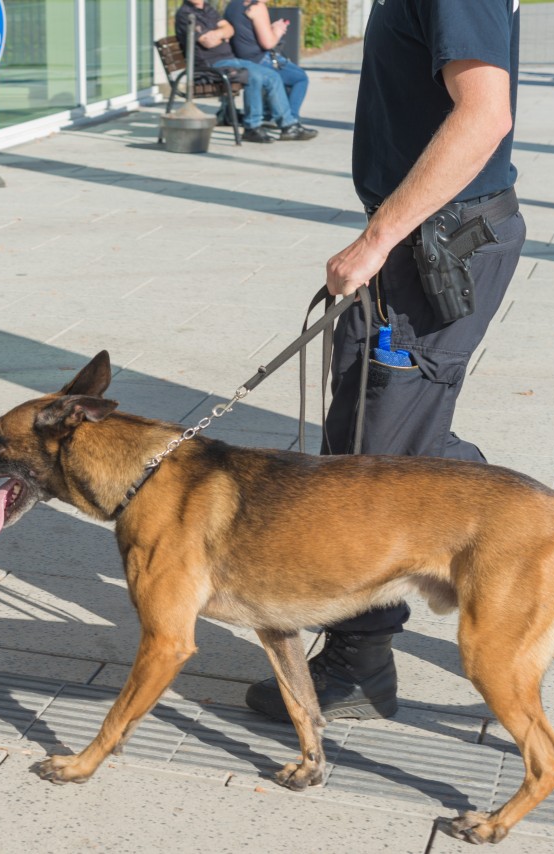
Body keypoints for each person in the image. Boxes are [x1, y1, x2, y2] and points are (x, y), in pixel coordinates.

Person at [243, 0, 525, 722]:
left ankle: (358, 655)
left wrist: (377, 240)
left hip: (441, 247)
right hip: (420, 244)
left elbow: (484, 114)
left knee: (375, 458)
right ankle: (521, 541)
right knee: (382, 433)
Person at [174, 0, 317, 143]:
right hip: (210, 66)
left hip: (230, 60)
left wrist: (220, 33)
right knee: (255, 76)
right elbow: (208, 41)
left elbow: (230, 29)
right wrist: (223, 33)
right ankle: (253, 127)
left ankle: (288, 126)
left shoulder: (208, 9)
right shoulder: (186, 14)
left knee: (271, 76)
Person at [223, 0, 311, 132]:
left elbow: (247, 34)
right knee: (299, 78)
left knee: (288, 75)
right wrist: (278, 30)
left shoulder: (233, 4)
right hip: (259, 60)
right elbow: (268, 44)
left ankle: (271, 114)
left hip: (240, 59)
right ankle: (291, 121)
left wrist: (270, 28)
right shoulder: (257, 6)